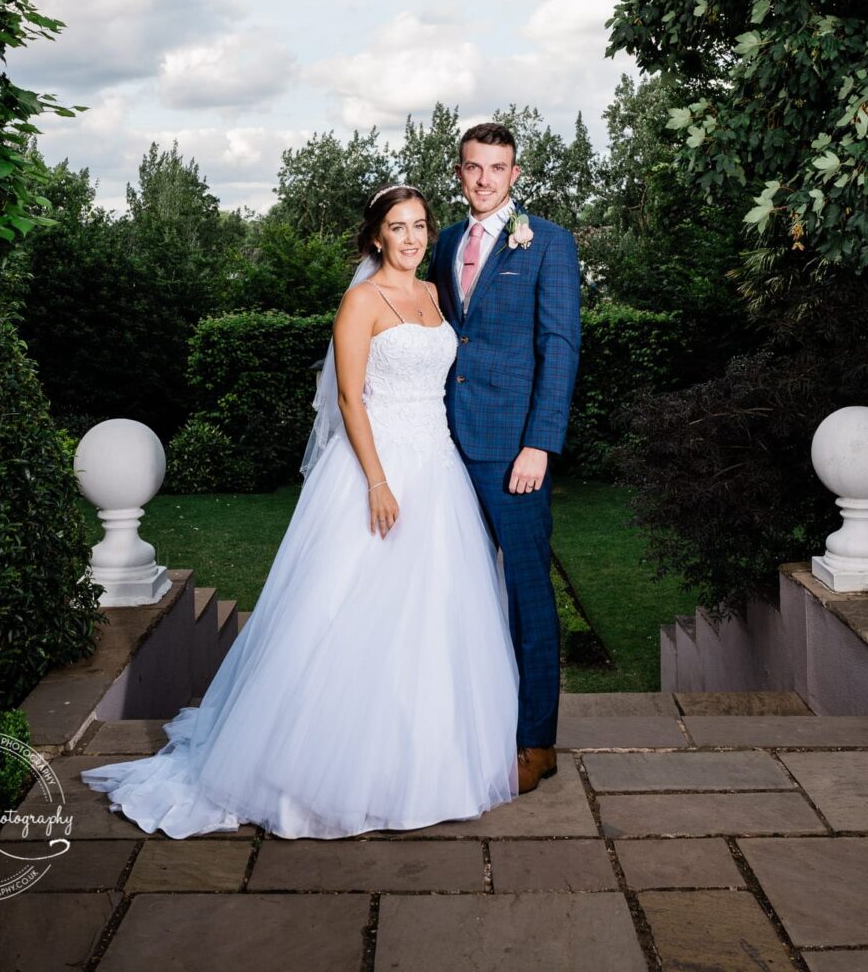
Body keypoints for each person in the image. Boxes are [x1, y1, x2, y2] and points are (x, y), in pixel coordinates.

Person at [79, 184, 520, 839]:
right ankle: (317, 765)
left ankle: (427, 761)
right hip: (378, 467)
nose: (410, 237)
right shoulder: (360, 301)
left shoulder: (431, 296)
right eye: (397, 227)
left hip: (437, 466)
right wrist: (376, 481)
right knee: (348, 609)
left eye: (420, 225)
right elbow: (349, 400)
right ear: (375, 236)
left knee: (433, 612)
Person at [426, 121, 582, 794]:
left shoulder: (547, 243)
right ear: (457, 173)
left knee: (525, 594)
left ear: (515, 174)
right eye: (473, 167)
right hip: (438, 446)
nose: (485, 178)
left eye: (498, 167)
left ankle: (533, 742)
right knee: (444, 590)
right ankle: (456, 723)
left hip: (510, 451)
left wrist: (538, 444)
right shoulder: (440, 244)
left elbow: (560, 346)